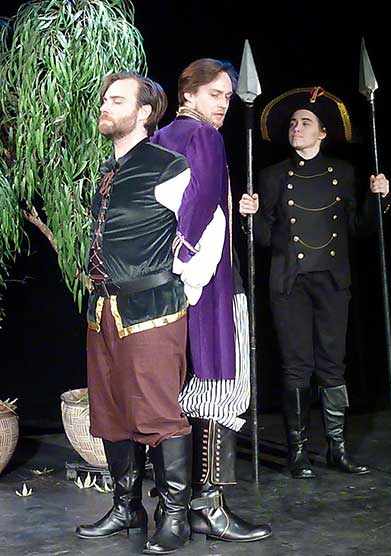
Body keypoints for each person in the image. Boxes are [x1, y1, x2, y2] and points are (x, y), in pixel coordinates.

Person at [240, 86, 390, 479]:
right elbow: (264, 239)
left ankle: (337, 450)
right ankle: (298, 453)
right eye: (293, 123)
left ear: (323, 132)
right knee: (296, 367)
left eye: (305, 122)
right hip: (289, 283)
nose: (296, 128)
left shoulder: (343, 173)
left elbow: (359, 228)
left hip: (332, 281)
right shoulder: (273, 176)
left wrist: (380, 199)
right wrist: (251, 216)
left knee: (332, 366)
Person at [75, 71, 194, 555]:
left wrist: (185, 286)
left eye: (117, 100)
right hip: (103, 308)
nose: (105, 106)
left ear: (144, 112)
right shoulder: (108, 168)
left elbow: (205, 231)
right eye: (105, 99)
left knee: (159, 415)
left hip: (151, 308)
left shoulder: (168, 166)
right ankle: (127, 508)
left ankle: (175, 515)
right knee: (111, 412)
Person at [152, 58, 271, 542]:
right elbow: (199, 206)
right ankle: (210, 507)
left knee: (183, 392)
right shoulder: (202, 136)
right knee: (223, 387)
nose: (223, 104)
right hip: (210, 283)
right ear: (189, 93)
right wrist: (188, 258)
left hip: (168, 287)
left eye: (227, 97)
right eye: (215, 94)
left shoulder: (159, 138)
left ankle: (177, 507)